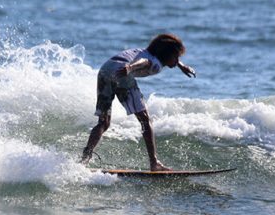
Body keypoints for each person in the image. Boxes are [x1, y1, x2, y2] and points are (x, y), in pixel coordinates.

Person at [81, 33, 196, 171]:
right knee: (145, 120)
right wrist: (130, 67)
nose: (177, 60)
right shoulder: (155, 64)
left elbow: (153, 58)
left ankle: (84, 160)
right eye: (176, 57)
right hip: (124, 71)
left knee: (103, 122)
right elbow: (144, 62)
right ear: (166, 54)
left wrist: (182, 66)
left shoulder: (146, 51)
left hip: (105, 69)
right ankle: (154, 163)